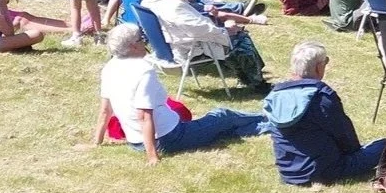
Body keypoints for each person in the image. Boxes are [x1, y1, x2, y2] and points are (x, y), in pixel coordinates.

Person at [91, 24, 268, 163]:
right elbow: (144, 115)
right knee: (223, 115)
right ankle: (268, 118)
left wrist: (96, 142)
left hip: (137, 143)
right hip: (169, 137)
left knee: (225, 130)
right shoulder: (144, 70)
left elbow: (105, 111)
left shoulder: (109, 68)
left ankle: (266, 124)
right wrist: (152, 156)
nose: (145, 41)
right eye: (141, 39)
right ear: (132, 46)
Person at [263, 43, 386, 186]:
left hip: (288, 173)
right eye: (325, 62)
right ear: (318, 67)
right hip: (326, 171)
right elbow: (346, 138)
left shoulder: (275, 96)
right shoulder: (321, 98)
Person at [143, 0, 269, 90]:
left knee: (233, 32)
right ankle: (257, 82)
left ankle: (247, 78)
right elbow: (200, 30)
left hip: (172, 45)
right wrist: (226, 31)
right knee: (240, 38)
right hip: (191, 48)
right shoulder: (174, 6)